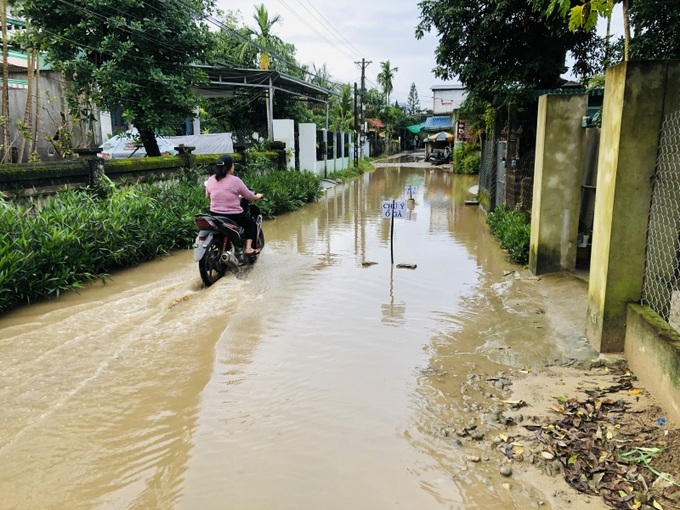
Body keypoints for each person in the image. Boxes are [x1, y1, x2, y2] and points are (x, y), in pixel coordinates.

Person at [205, 154, 263, 255]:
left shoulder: (211, 179)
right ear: (229, 167)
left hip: (214, 214)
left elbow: (208, 196)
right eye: (233, 165)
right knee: (251, 225)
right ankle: (248, 248)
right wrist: (257, 196)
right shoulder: (235, 180)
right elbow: (248, 196)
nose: (233, 167)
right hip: (233, 215)